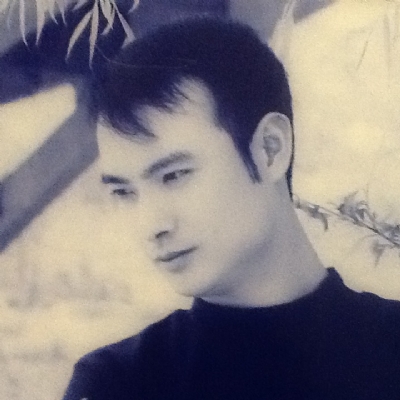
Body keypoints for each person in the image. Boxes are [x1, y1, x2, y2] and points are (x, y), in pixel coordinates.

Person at [62, 17, 400, 400]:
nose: (151, 224)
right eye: (124, 192)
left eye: (174, 175)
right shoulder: (119, 383)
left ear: (270, 149)